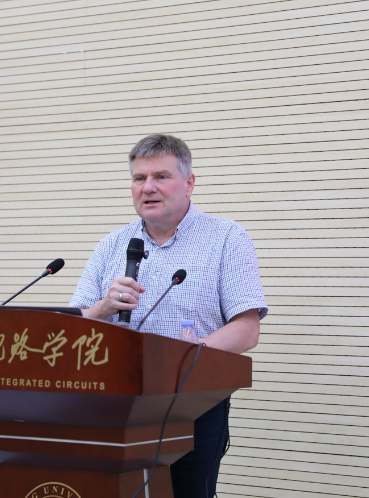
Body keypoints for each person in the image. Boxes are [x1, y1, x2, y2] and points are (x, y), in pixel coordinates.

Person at [69, 134, 268, 497]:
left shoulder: (226, 238)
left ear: (189, 183)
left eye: (161, 176)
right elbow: (72, 329)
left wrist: (184, 355)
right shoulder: (111, 245)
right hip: (113, 403)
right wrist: (104, 307)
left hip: (193, 405)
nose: (148, 187)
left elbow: (246, 329)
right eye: (139, 178)